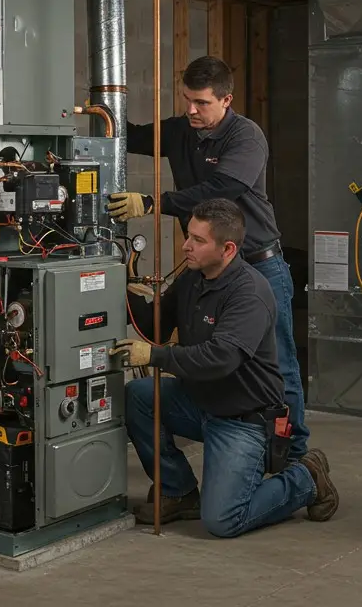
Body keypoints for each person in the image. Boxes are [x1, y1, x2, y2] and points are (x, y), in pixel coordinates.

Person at [109, 56, 308, 462]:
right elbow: (130, 137)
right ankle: (226, 436)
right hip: (209, 264)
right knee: (209, 348)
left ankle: (294, 456)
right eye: (187, 101)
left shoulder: (246, 137)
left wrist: (150, 201)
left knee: (281, 365)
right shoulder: (183, 130)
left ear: (226, 99)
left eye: (200, 103)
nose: (191, 110)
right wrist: (105, 100)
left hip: (258, 263)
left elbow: (222, 190)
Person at [113, 198, 338, 537]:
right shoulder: (194, 277)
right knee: (138, 396)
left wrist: (156, 356)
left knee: (222, 519)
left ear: (228, 248)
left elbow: (222, 357)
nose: (186, 245)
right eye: (188, 235)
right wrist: (123, 285)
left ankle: (306, 477)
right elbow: (155, 328)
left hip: (242, 419)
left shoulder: (249, 292)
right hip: (199, 402)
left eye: (198, 240)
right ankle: (178, 491)